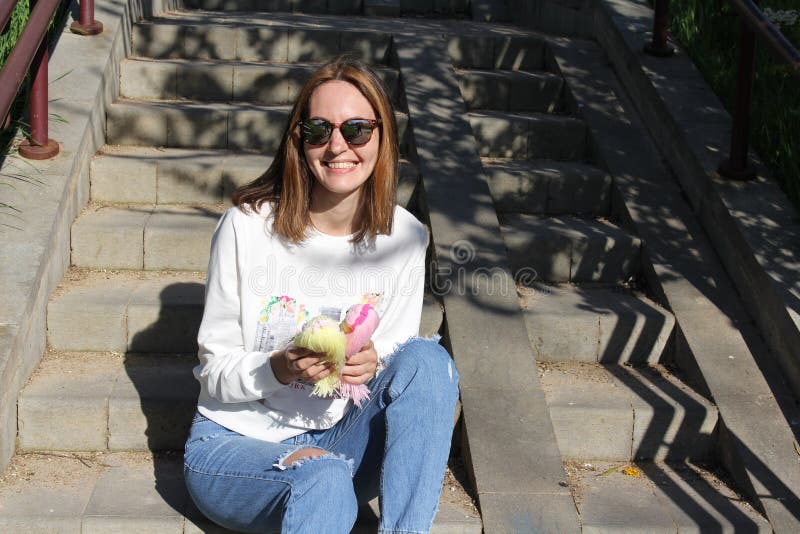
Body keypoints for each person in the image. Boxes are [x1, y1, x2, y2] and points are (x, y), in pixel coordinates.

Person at [183, 56, 460, 534]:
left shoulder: (406, 237)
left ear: (382, 137)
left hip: (345, 439)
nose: (337, 146)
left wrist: (370, 365)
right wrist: (277, 367)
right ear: (299, 140)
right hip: (237, 443)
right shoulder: (246, 230)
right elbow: (214, 373)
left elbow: (397, 360)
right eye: (318, 129)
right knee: (323, 475)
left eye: (356, 129)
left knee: (430, 362)